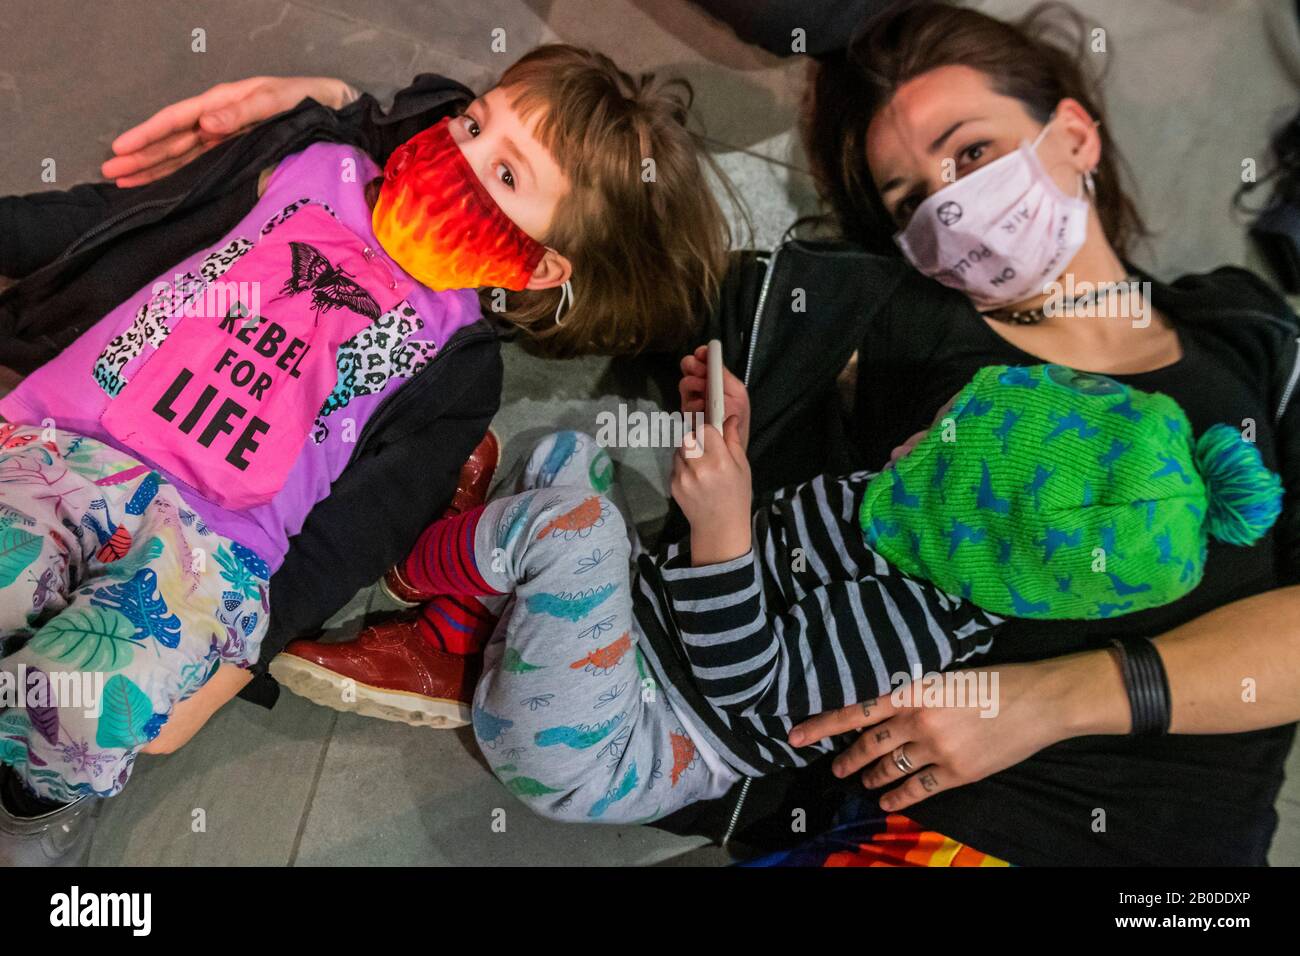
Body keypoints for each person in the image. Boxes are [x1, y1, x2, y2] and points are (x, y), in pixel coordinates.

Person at [0, 44, 732, 863]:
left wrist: (242, 661)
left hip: (207, 553)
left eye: (508, 176)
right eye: (472, 123)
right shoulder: (313, 162)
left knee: (85, 702)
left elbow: (357, 535)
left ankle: (34, 800)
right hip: (61, 445)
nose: (462, 154)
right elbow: (118, 217)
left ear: (540, 265)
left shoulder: (459, 365)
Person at [767, 1, 1300, 866]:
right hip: (944, 836)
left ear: (1076, 135)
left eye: (972, 152)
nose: (956, 205)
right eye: (912, 198)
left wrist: (1060, 698)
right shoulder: (920, 342)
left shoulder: (1240, 331)